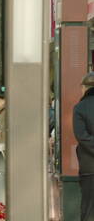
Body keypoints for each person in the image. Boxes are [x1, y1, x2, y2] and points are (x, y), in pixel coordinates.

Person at [73, 72, 94, 221]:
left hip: (89, 166)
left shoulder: (80, 107)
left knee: (88, 208)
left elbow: (81, 136)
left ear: (84, 88)